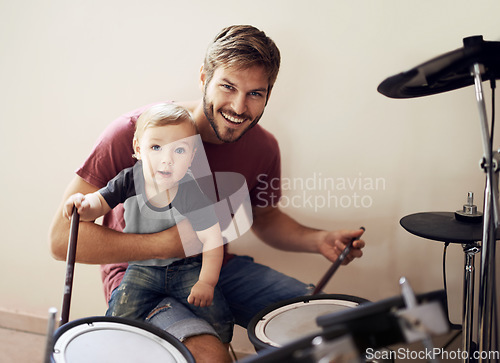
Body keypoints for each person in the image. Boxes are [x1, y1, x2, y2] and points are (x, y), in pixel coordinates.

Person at [49, 25, 365, 362]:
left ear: (269, 93)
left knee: (331, 328)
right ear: (204, 78)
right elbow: (61, 240)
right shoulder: (137, 132)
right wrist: (168, 243)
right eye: (228, 87)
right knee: (209, 356)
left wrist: (318, 240)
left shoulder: (264, 147)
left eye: (255, 94)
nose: (239, 107)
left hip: (215, 267)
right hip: (140, 274)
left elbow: (265, 218)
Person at [61, 103, 233, 343]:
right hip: (143, 268)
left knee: (219, 315)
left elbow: (212, 237)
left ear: (193, 156)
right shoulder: (130, 179)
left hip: (186, 268)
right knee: (119, 312)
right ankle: (114, 348)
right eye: (156, 147)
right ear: (138, 149)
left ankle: (223, 347)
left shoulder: (190, 189)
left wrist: (206, 281)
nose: (167, 160)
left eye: (179, 151)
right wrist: (83, 204)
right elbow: (98, 204)